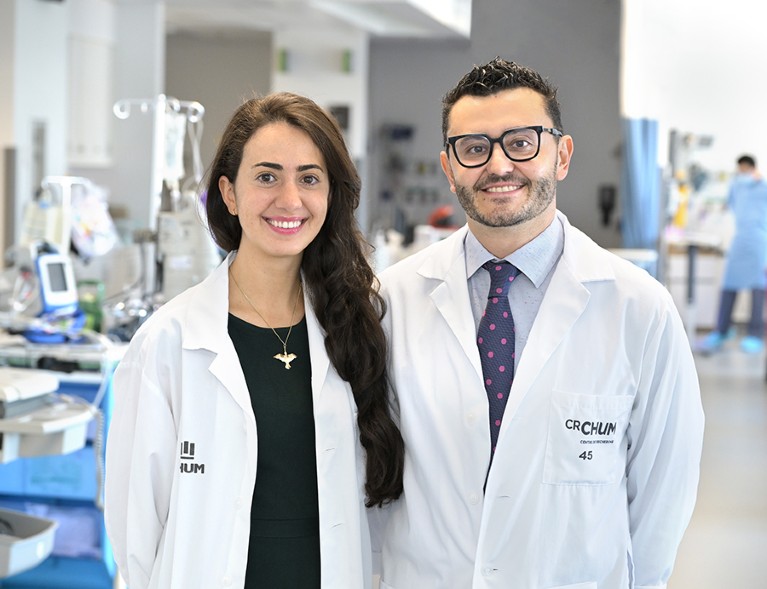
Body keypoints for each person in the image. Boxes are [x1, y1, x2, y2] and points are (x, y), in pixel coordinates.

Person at [373, 58, 704, 588]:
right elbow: (372, 477)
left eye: (522, 142)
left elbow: (663, 497)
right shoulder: (392, 301)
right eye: (474, 148)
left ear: (562, 154)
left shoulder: (640, 309)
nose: (499, 166)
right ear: (449, 166)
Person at [104, 92, 404, 589]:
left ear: (330, 196)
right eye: (266, 176)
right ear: (229, 193)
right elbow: (135, 524)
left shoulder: (358, 326)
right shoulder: (171, 340)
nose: (290, 200)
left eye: (309, 178)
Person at [697, 154, 767, 355]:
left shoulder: (763, 186)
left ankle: (755, 334)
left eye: (745, 169)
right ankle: (722, 330)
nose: (742, 173)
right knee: (729, 284)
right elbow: (728, 204)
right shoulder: (736, 186)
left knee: (758, 288)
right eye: (740, 169)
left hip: (759, 241)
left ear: (753, 168)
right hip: (740, 239)